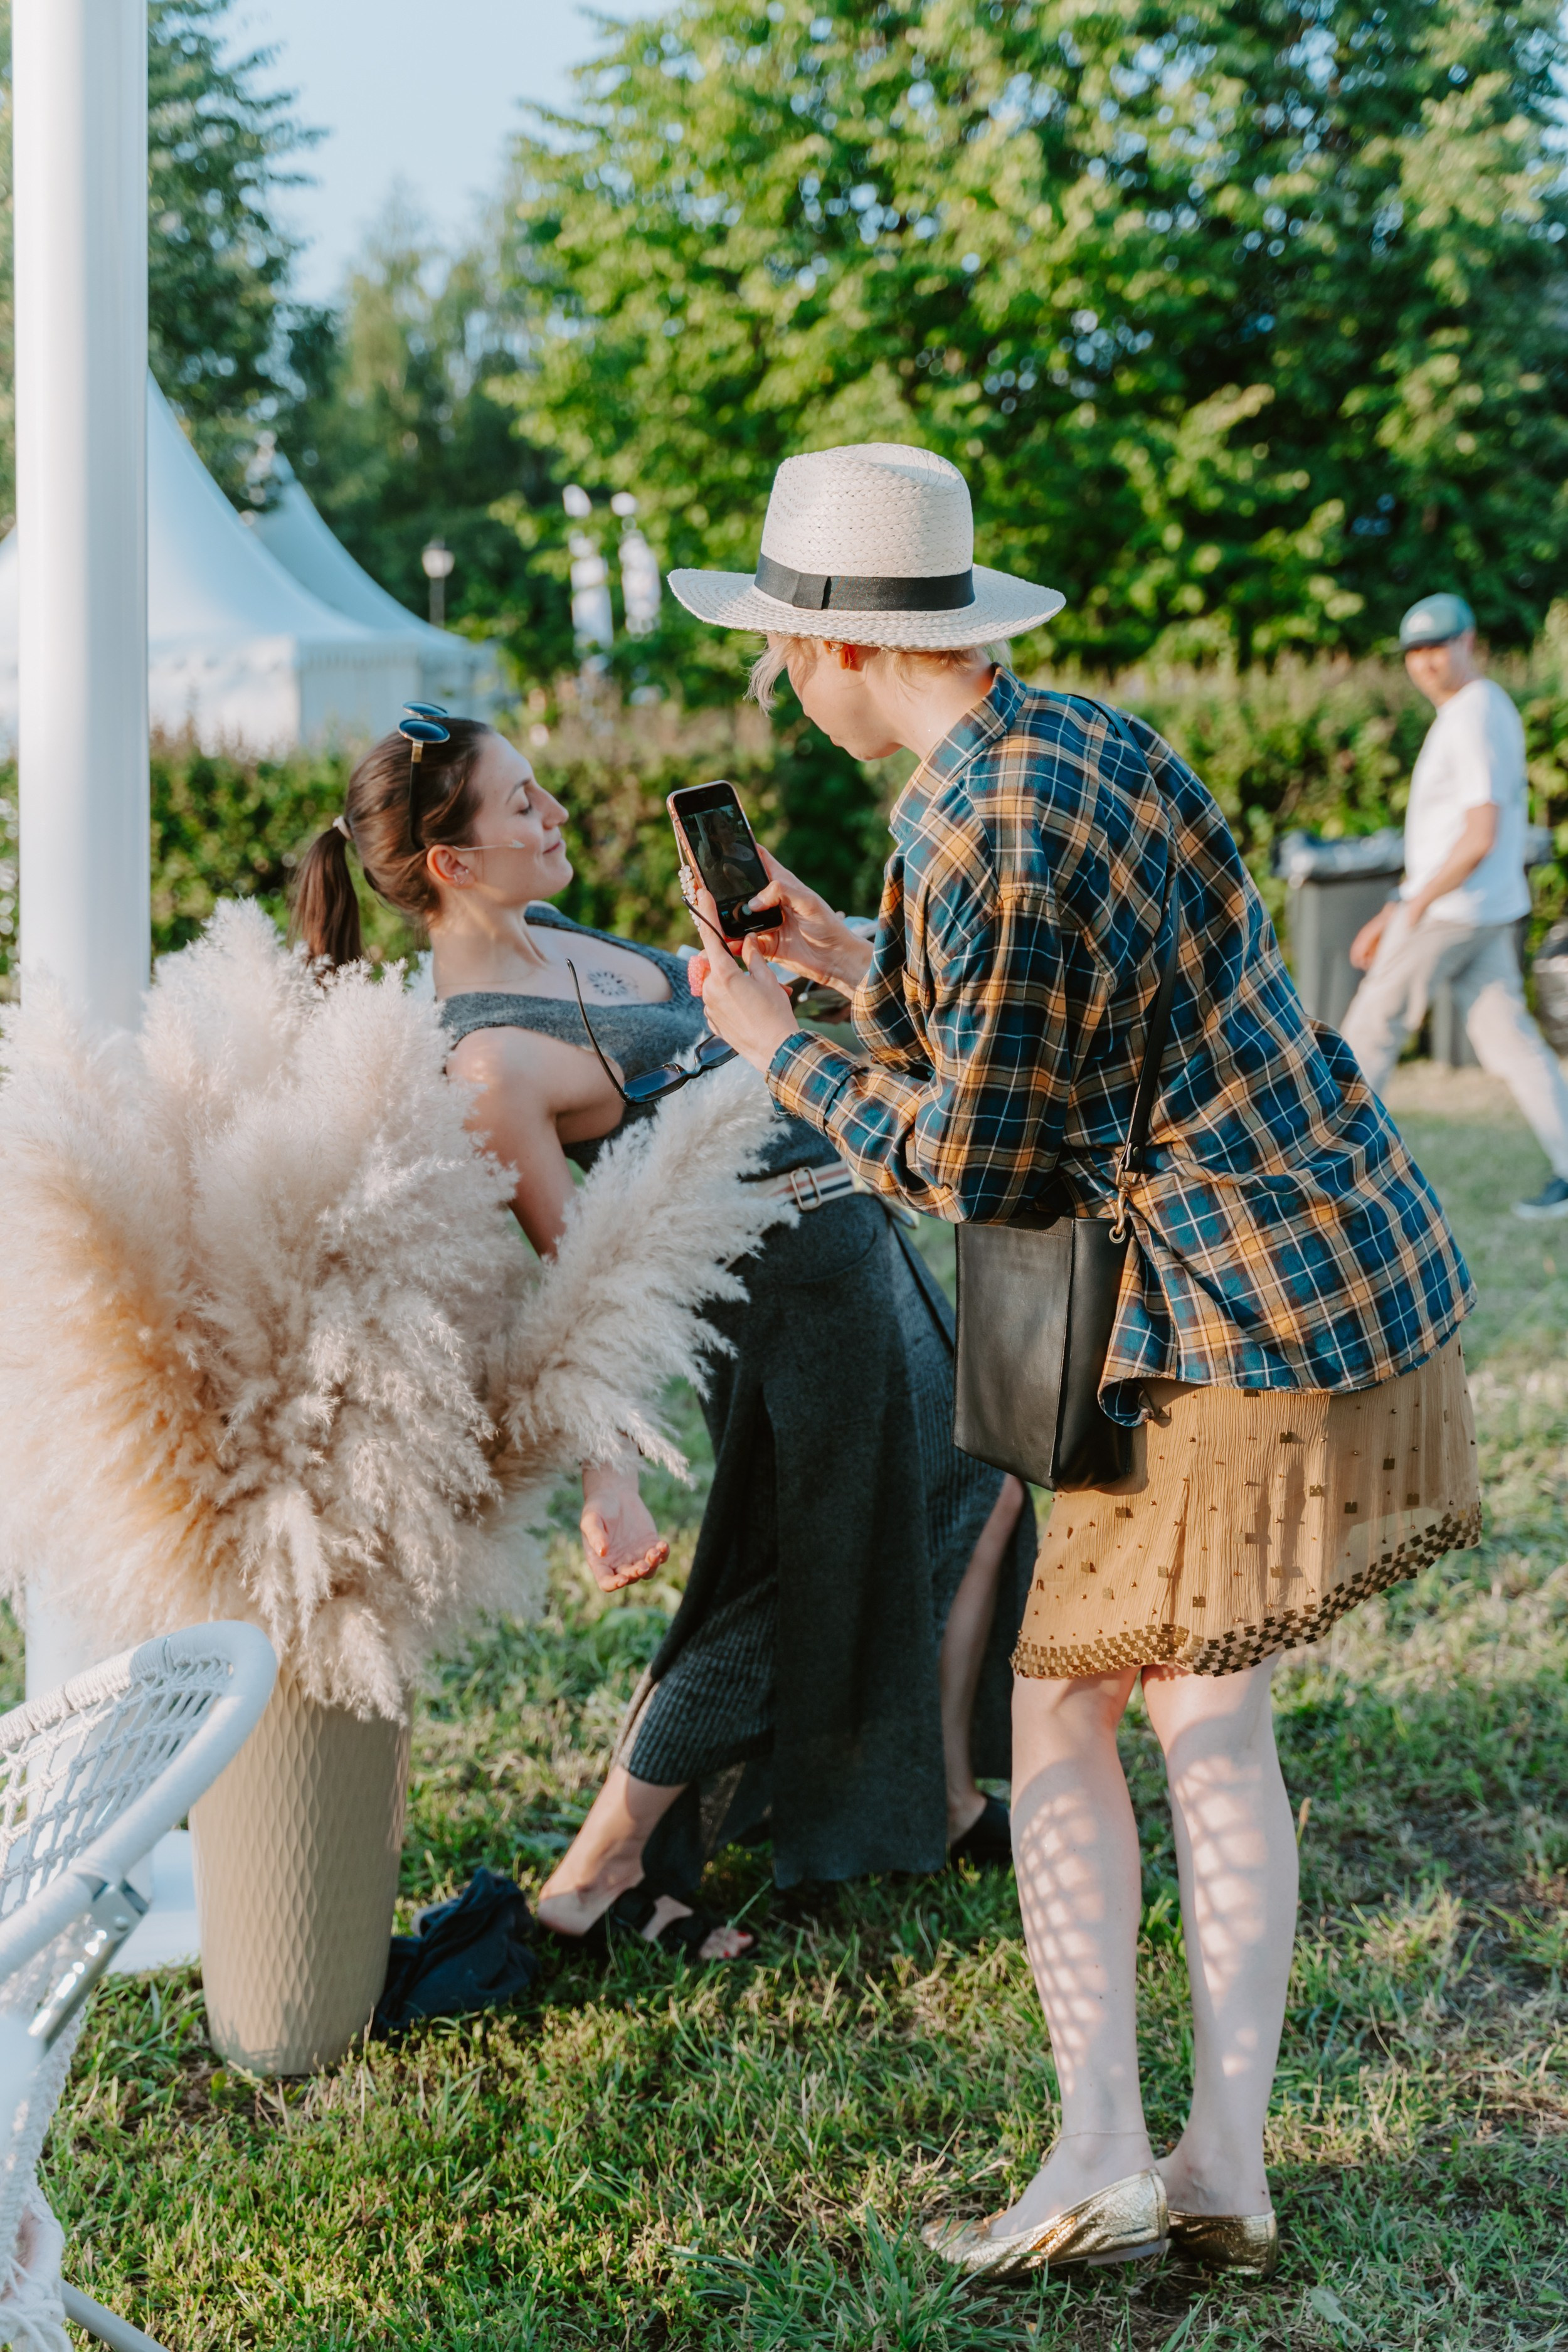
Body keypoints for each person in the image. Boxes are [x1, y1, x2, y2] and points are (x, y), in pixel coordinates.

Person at [669, 442, 1480, 2280]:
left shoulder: (976, 828)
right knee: (1203, 1715)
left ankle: (1109, 2149)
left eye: (780, 646)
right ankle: (1213, 2158)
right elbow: (1038, 1033)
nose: (779, 680)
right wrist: (837, 955)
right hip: (1311, 1261)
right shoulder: (1065, 747)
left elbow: (976, 1162)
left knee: (1071, 1710)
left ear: (825, 648)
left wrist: (759, 1038)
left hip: (1217, 1314)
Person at [290, 714, 1034, 1965]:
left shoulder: (561, 940)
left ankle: (945, 1794)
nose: (555, 815)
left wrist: (774, 976)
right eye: (520, 806)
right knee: (781, 1584)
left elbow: (716, 1055)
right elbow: (585, 1274)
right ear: (452, 864)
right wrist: (608, 1482)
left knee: (981, 1484)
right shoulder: (485, 1061)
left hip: (859, 1243)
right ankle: (597, 1869)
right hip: (789, 1306)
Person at [1340, 591, 1568, 1221]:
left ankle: (1337, 1178)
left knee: (1368, 1031)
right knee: (1511, 1042)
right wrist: (1400, 906)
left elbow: (1479, 834)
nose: (1426, 662)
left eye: (1438, 646)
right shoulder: (1475, 712)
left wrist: (1409, 909)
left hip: (1453, 910)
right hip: (1479, 907)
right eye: (1415, 651)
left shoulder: (1473, 713)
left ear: (1469, 643)